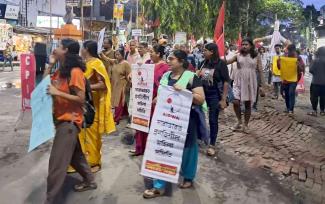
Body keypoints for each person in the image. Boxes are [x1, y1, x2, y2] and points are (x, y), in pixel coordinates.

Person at [143, 50, 205, 198]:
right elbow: (161, 94)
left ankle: (188, 177)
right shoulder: (166, 76)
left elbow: (200, 99)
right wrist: (157, 99)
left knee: (188, 149)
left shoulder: (191, 77)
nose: (168, 61)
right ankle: (159, 185)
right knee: (163, 148)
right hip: (165, 121)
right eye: (168, 58)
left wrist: (184, 90)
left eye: (172, 59)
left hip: (185, 120)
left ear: (182, 61)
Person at [45, 38, 97, 204]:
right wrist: (51, 63)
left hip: (70, 123)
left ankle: (51, 200)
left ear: (66, 50)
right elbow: (45, 84)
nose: (55, 48)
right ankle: (90, 180)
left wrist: (57, 93)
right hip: (60, 120)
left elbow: (80, 99)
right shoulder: (61, 71)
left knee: (56, 165)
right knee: (76, 156)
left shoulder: (75, 72)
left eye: (58, 46)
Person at [78, 40, 116, 173]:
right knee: (83, 134)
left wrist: (86, 87)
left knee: (93, 135)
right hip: (83, 104)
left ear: (87, 49)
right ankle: (85, 160)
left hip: (93, 106)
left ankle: (95, 163)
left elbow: (103, 85)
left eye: (82, 48)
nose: (81, 50)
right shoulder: (84, 63)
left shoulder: (97, 63)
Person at [129, 45, 169, 156]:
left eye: (152, 52)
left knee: (153, 124)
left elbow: (165, 85)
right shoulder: (147, 63)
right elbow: (138, 73)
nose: (150, 54)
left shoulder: (165, 68)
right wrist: (133, 73)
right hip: (144, 97)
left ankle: (151, 150)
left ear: (159, 54)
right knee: (141, 122)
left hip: (156, 99)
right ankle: (139, 147)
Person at [197, 43, 230, 156]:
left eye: (205, 50)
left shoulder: (221, 64)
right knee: (197, 114)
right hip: (202, 93)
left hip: (214, 95)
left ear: (212, 52)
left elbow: (226, 81)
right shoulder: (202, 63)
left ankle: (212, 144)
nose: (203, 52)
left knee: (212, 119)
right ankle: (199, 137)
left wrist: (223, 99)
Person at [227, 38, 265, 133]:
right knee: (235, 102)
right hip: (238, 81)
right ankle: (239, 121)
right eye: (243, 44)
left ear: (251, 46)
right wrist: (221, 55)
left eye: (246, 44)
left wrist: (262, 86)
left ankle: (246, 125)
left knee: (248, 104)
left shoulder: (256, 56)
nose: (244, 46)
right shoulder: (237, 56)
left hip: (250, 82)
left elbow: (260, 71)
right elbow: (227, 62)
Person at [101, 47, 131, 124]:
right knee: (118, 101)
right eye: (116, 54)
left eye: (118, 54)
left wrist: (129, 86)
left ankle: (116, 119)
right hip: (114, 84)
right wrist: (100, 52)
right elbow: (106, 59)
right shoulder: (114, 62)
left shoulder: (126, 64)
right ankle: (125, 114)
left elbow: (129, 76)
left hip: (122, 85)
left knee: (118, 103)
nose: (117, 56)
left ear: (122, 55)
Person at [277, 44, 305, 115]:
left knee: (291, 93)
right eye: (288, 50)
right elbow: (280, 68)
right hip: (285, 79)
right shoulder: (284, 57)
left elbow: (302, 69)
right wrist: (278, 61)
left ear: (294, 50)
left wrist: (298, 65)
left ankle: (291, 109)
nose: (289, 52)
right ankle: (288, 107)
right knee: (286, 94)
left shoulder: (298, 58)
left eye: (290, 50)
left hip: (294, 79)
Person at [307, 47, 325, 116]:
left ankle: (314, 111)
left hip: (315, 82)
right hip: (324, 83)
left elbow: (311, 70)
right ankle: (322, 111)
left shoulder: (315, 60)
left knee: (314, 97)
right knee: (323, 97)